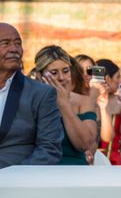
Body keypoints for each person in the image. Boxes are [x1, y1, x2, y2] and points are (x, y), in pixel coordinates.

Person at [0, 23, 64, 167]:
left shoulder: (41, 93)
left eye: (18, 43)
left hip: (17, 180)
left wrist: (18, 176)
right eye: (5, 43)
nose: (14, 49)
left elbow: (49, 149)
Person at [34, 45, 97, 165]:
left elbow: (84, 144)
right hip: (40, 169)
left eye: (65, 71)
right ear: (40, 75)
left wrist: (64, 105)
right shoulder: (32, 100)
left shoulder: (84, 101)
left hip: (74, 170)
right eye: (54, 73)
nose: (61, 77)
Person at [96, 59, 121, 165]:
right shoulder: (89, 99)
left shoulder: (120, 101)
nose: (120, 81)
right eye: (117, 77)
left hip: (113, 159)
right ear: (107, 78)